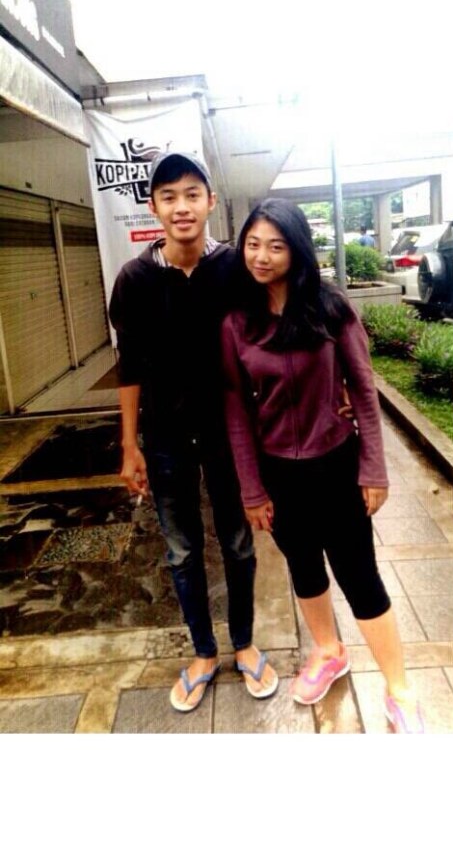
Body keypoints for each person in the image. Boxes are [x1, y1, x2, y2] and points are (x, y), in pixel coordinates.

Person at [220, 198, 423, 733]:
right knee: (304, 566)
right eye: (252, 245)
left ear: (297, 250)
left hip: (336, 466)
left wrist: (373, 469)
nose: (261, 256)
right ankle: (329, 651)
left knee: (360, 575)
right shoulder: (237, 322)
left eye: (275, 246)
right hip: (278, 474)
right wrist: (251, 489)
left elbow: (363, 389)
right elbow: (236, 411)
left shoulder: (331, 308)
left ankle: (400, 688)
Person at [109, 152, 277, 712]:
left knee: (238, 542)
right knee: (181, 550)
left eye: (191, 194)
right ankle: (204, 652)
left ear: (209, 201)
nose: (181, 207)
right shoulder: (134, 280)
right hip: (165, 438)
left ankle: (244, 643)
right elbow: (129, 367)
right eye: (168, 196)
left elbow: (268, 336)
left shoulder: (233, 268)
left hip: (232, 435)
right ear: (154, 207)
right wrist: (129, 445)